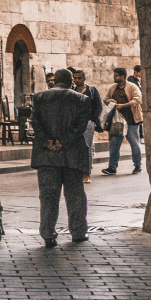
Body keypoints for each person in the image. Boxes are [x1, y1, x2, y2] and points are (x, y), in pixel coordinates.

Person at [31, 67, 92, 247]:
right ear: (71, 81)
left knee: (48, 196)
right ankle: (78, 232)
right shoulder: (82, 99)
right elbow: (80, 127)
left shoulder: (39, 97)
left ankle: (48, 234)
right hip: (72, 155)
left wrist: (47, 142)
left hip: (46, 155)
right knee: (75, 196)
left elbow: (35, 123)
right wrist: (63, 142)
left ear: (54, 80)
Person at [101, 67, 143, 175]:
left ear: (122, 77)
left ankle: (137, 165)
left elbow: (138, 99)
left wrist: (124, 105)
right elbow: (105, 99)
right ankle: (112, 167)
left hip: (132, 121)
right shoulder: (112, 88)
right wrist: (112, 101)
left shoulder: (132, 87)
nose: (114, 77)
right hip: (116, 122)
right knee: (114, 144)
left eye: (116, 75)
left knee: (135, 144)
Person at [70, 67, 103, 183]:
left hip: (88, 123)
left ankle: (86, 173)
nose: (77, 80)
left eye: (79, 78)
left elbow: (99, 106)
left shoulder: (92, 90)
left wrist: (92, 119)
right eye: (75, 78)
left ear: (84, 78)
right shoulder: (71, 91)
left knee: (87, 149)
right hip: (74, 124)